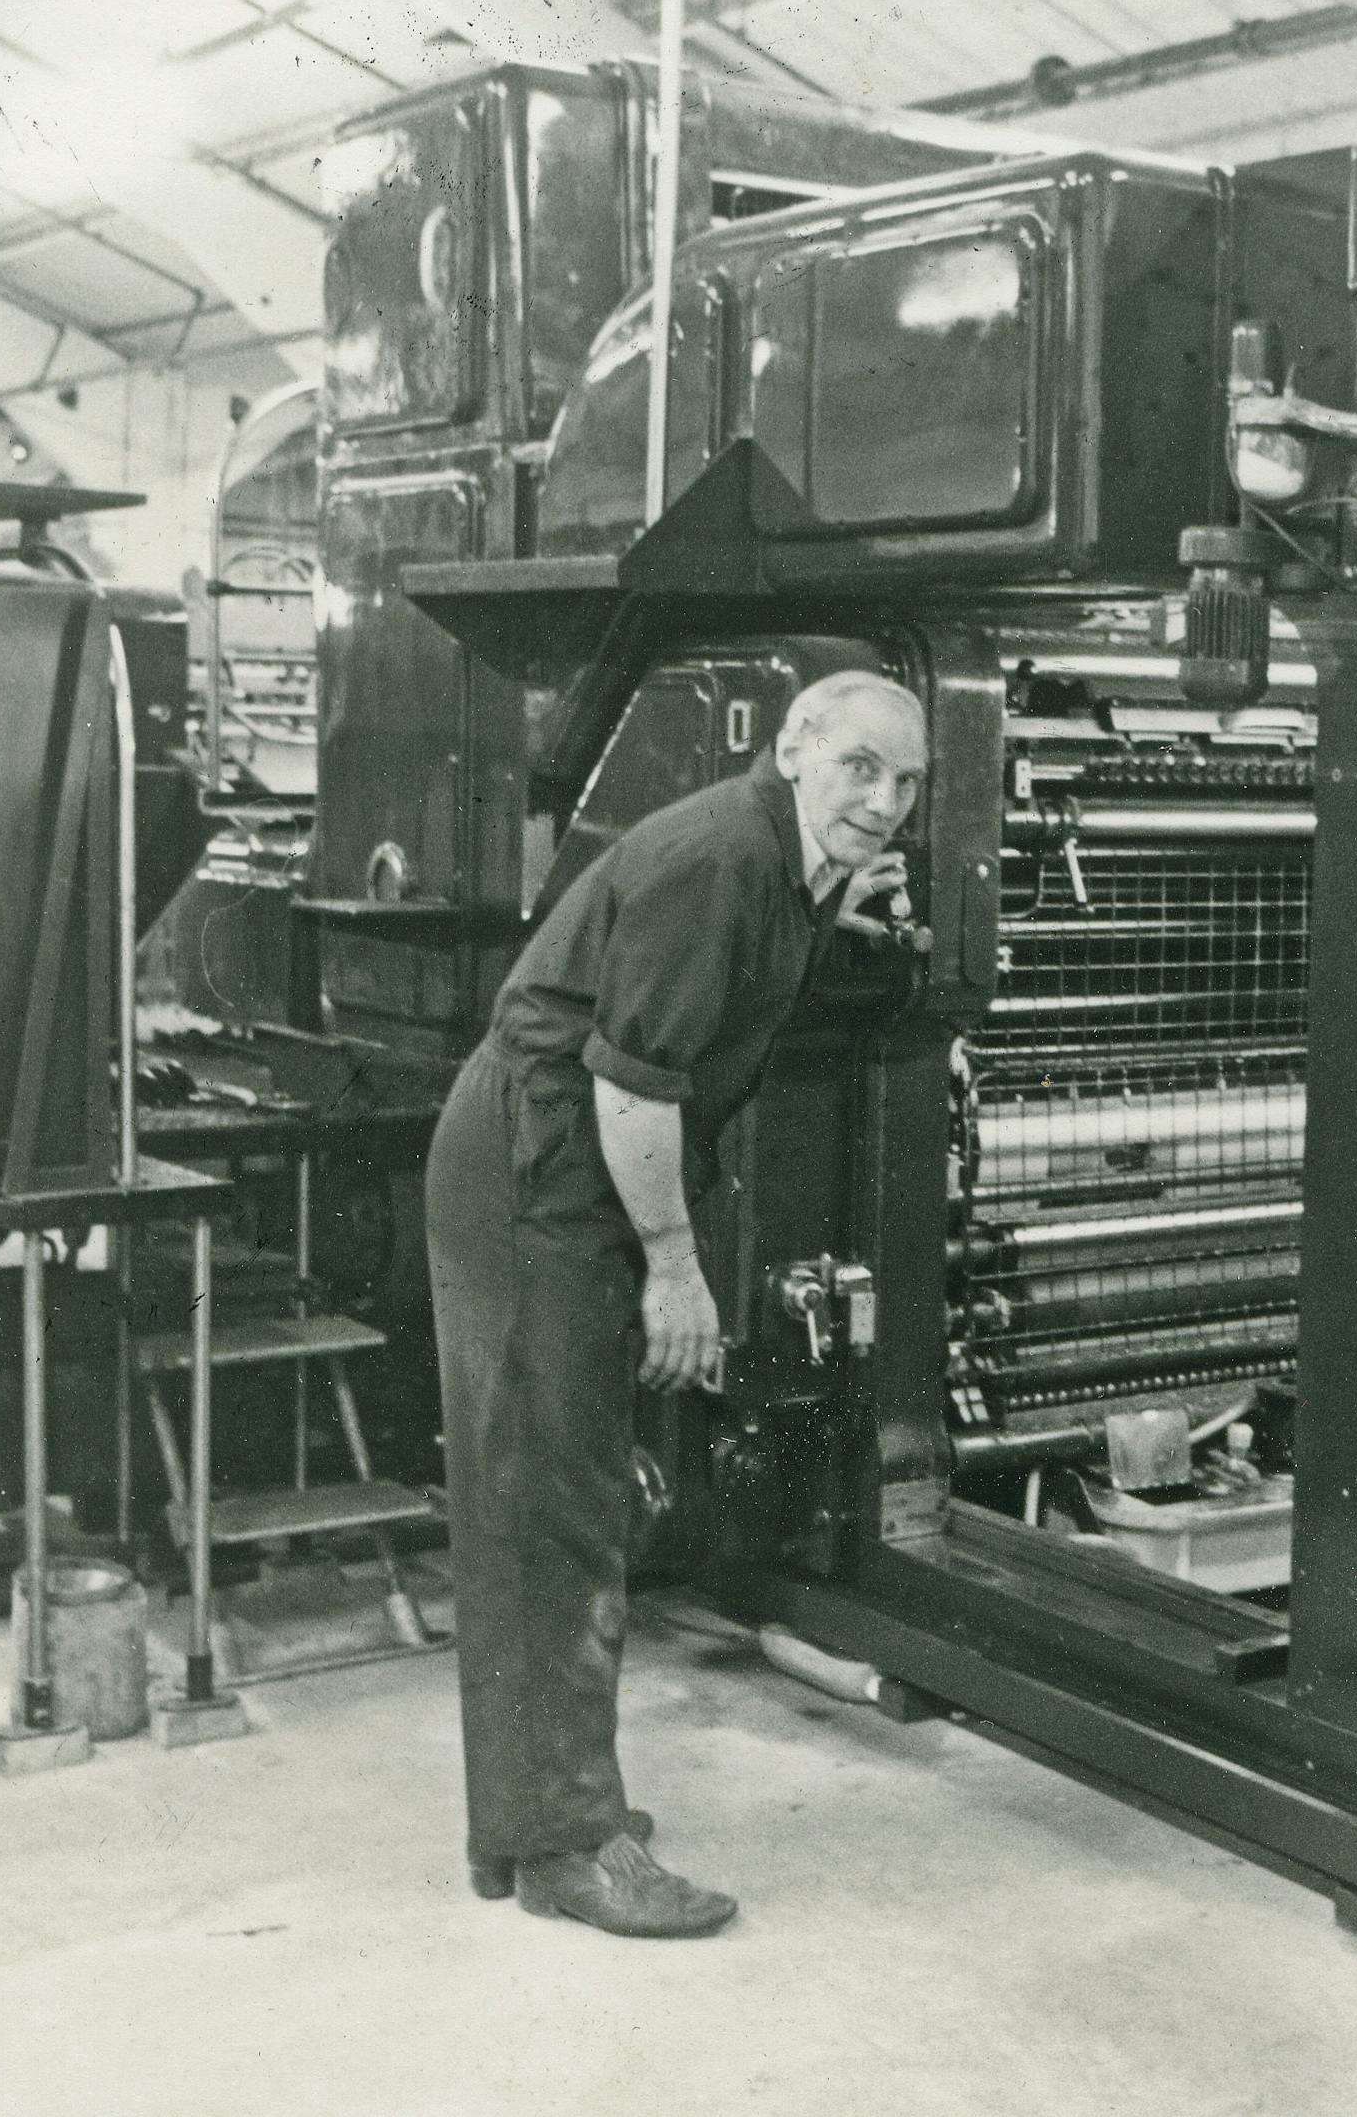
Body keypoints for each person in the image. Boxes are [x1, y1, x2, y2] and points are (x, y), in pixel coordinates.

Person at [423, 668, 929, 1938]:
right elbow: (633, 1086)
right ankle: (564, 1845)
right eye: (860, 766)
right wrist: (676, 1267)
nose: (884, 800)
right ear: (793, 744)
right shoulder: (721, 860)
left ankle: (533, 1820)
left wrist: (837, 909)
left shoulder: (789, 864)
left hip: (562, 1160)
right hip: (544, 1166)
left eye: (907, 782)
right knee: (552, 1508)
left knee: (562, 1493)